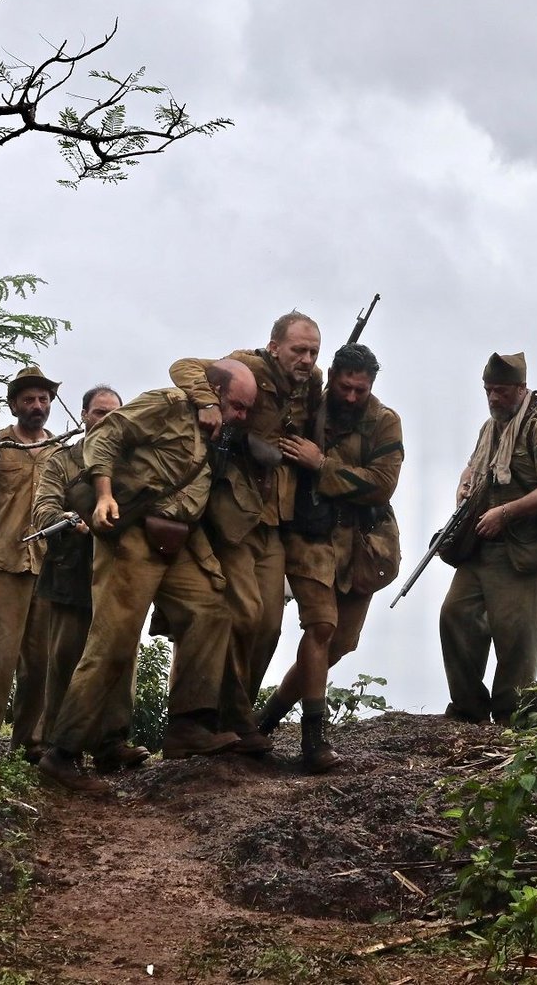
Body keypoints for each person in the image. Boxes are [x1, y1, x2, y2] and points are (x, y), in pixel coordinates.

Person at [39, 359, 258, 794]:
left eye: (246, 409)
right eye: (235, 405)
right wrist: (103, 496)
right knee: (113, 643)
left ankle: (187, 726)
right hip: (134, 532)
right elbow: (106, 436)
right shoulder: (167, 403)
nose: (241, 416)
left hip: (180, 539)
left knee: (211, 610)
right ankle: (61, 754)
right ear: (212, 391)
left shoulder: (220, 430)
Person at [169, 312, 323, 755]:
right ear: (275, 346)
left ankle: (237, 717)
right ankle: (230, 721)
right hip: (236, 516)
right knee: (244, 614)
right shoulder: (248, 365)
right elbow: (184, 366)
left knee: (270, 625)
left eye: (313, 351)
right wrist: (209, 403)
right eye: (298, 349)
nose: (307, 358)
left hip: (277, 517)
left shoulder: (311, 385)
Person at [259, 343, 403, 770]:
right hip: (311, 533)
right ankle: (313, 739)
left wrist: (321, 465)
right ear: (333, 377)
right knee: (321, 626)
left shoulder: (384, 422)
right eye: (345, 387)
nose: (352, 397)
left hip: (362, 542)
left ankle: (265, 720)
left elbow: (381, 484)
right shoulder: (309, 407)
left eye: (361, 390)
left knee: (338, 645)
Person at [439, 352, 537, 725]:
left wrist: (506, 512)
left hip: (520, 548)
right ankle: (468, 709)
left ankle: (512, 718)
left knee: (515, 638)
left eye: (501, 391)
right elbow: (475, 463)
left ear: (521, 389)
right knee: (454, 616)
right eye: (489, 390)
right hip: (479, 544)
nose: (494, 398)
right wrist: (465, 483)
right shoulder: (490, 427)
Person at [29, 384, 149, 775]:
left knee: (121, 655)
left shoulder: (133, 461)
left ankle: (112, 743)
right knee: (66, 658)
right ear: (84, 415)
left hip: (118, 569)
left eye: (115, 414)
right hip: (72, 570)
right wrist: (70, 520)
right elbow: (43, 510)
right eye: (100, 413)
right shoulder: (61, 461)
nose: (107, 421)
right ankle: (57, 745)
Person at [0, 366, 61, 761]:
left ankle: (31, 745)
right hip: (1, 564)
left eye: (43, 399)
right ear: (13, 404)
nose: (36, 406)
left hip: (47, 567)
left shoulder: (63, 451)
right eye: (28, 399)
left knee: (41, 662)